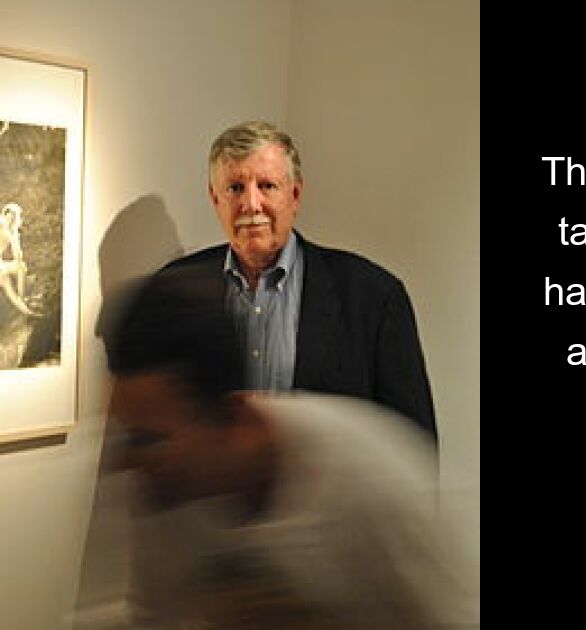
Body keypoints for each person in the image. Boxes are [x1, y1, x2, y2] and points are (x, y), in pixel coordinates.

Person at [101, 268, 470, 628]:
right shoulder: (164, 495)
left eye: (147, 440)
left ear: (231, 415)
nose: (127, 463)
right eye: (126, 436)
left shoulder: (375, 480)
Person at [158, 121, 436, 437]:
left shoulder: (373, 297)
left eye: (267, 186)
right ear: (214, 198)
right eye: (235, 188)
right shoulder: (173, 289)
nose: (251, 204)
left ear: (295, 194)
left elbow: (414, 444)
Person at [1, 202, 37, 316]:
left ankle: (25, 309)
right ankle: (23, 301)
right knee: (19, 269)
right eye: (8, 214)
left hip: (1, 264)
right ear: (4, 214)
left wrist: (15, 236)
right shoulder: (1, 224)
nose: (9, 218)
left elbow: (18, 255)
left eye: (13, 216)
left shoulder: (12, 231)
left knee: (9, 286)